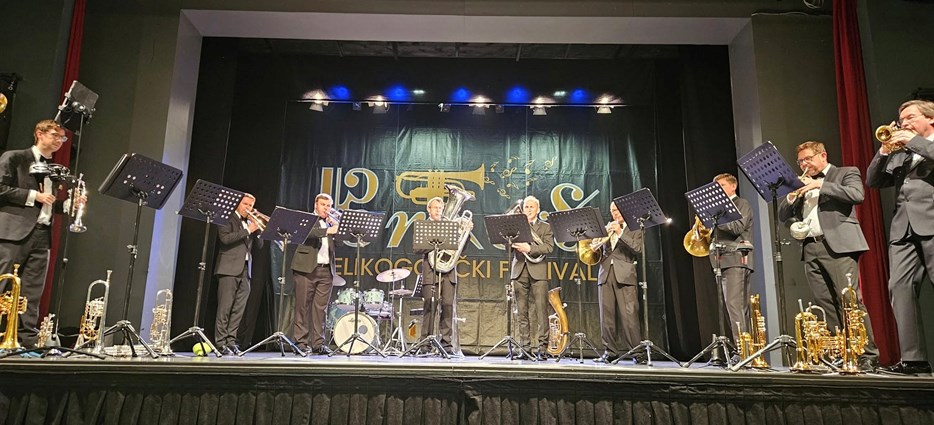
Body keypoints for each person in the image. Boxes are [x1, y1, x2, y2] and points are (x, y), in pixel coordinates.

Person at [779, 141, 879, 371]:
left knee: (849, 301)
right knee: (825, 303)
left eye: (808, 159)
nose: (804, 164)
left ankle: (867, 354)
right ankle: (840, 352)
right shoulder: (801, 182)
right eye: (800, 161)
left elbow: (857, 194)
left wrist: (820, 185)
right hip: (810, 247)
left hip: (838, 246)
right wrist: (792, 196)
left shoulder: (845, 172)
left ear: (823, 155)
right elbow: (783, 215)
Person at [0, 119, 83, 348]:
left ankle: (25, 341)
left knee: (32, 289)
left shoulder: (52, 168)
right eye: (55, 135)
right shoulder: (15, 158)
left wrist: (70, 205)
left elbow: (49, 204)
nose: (59, 141)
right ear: (39, 133)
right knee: (2, 282)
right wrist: (33, 196)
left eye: (62, 138)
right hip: (13, 232)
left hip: (42, 233)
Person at [866, 99, 934, 375]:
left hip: (931, 222)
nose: (903, 123)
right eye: (901, 119)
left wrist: (913, 141)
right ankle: (914, 360)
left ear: (931, 119)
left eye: (910, 117)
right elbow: (873, 180)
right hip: (903, 229)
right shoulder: (903, 153)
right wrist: (884, 151)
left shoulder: (921, 145)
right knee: (899, 287)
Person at [416, 196, 470, 356]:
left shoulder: (450, 226)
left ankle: (446, 345)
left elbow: (460, 248)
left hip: (448, 272)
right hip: (430, 272)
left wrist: (467, 232)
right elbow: (417, 248)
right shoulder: (423, 226)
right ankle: (425, 344)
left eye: (441, 208)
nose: (439, 211)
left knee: (447, 307)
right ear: (428, 209)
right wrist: (435, 243)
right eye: (435, 208)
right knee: (429, 307)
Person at [291, 193, 344, 355]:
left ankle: (318, 343)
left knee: (321, 309)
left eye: (329, 206)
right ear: (316, 205)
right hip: (306, 268)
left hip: (326, 270)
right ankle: (300, 342)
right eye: (323, 205)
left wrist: (338, 229)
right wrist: (329, 230)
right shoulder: (307, 219)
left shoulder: (330, 223)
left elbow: (339, 243)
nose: (326, 209)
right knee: (302, 306)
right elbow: (309, 233)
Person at [213, 193, 264, 355]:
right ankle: (220, 342)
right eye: (245, 204)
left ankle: (231, 341)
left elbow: (260, 245)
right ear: (237, 204)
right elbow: (225, 239)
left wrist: (257, 229)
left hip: (245, 269)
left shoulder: (249, 222)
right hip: (228, 268)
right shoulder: (227, 218)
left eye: (251, 205)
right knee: (225, 308)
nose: (248, 208)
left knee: (238, 309)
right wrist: (248, 229)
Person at [593, 202, 643, 363]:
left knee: (629, 315)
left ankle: (637, 353)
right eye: (612, 211)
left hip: (625, 274)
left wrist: (620, 232)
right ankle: (610, 351)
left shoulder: (635, 228)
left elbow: (637, 248)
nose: (615, 213)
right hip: (605, 272)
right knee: (606, 315)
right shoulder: (606, 229)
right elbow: (596, 252)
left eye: (617, 210)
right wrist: (596, 245)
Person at [708, 173, 754, 347]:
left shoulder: (741, 204)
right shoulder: (720, 211)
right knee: (728, 308)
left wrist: (715, 220)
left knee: (735, 307)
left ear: (733, 186)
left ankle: (745, 352)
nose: (717, 191)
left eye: (721, 186)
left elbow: (737, 227)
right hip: (721, 261)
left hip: (736, 259)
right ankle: (740, 350)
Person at [510, 195, 554, 360]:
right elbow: (507, 248)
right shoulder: (517, 227)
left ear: (538, 209)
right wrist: (509, 239)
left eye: (531, 207)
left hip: (538, 271)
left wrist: (529, 248)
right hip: (519, 270)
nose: (528, 210)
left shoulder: (545, 227)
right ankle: (525, 348)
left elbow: (548, 247)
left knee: (542, 311)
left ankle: (542, 349)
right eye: (526, 207)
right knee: (522, 312)